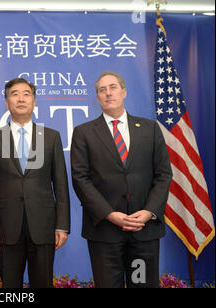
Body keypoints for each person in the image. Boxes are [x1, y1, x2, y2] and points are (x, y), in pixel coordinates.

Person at [70, 71, 172, 288]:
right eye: (102, 90)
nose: (108, 93)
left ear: (124, 92)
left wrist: (148, 212)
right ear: (97, 98)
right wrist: (109, 214)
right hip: (105, 232)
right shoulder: (83, 132)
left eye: (113, 87)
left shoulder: (150, 129)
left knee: (142, 283)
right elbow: (80, 179)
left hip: (143, 231)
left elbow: (163, 175)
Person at [0, 77, 70, 288]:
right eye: (15, 94)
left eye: (26, 94)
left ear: (34, 101)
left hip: (44, 225)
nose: (21, 99)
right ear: (6, 102)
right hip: (5, 226)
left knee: (43, 283)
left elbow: (61, 185)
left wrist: (62, 225)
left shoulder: (51, 137)